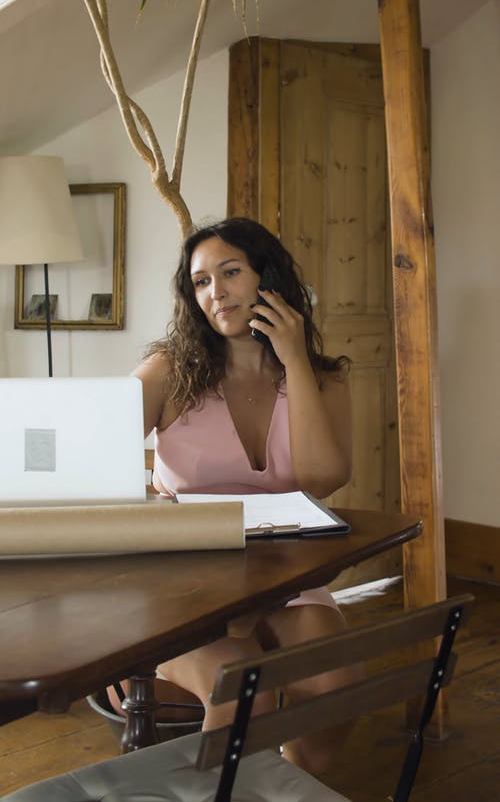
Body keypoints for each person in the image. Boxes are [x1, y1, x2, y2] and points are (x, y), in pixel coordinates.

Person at [127, 217, 355, 776]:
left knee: (335, 684)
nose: (216, 293)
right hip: (183, 584)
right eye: (201, 282)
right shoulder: (167, 372)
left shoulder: (325, 378)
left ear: (267, 279)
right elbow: (91, 450)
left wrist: (294, 357)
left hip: (285, 577)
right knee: (240, 685)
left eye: (231, 272)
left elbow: (323, 478)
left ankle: (290, 784)